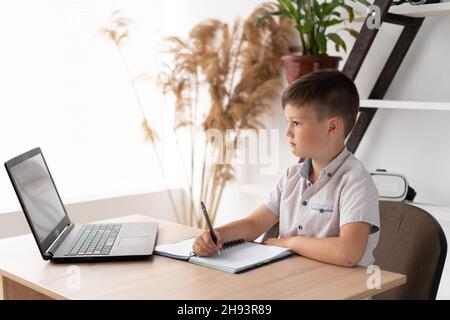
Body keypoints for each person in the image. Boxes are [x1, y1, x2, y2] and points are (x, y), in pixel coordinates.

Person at [193, 69, 380, 267]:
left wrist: (290, 243)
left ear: (332, 127)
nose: (287, 133)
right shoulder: (291, 177)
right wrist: (216, 236)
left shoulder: (355, 181)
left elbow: (348, 252)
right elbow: (254, 224)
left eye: (297, 123)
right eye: (288, 122)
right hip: (296, 282)